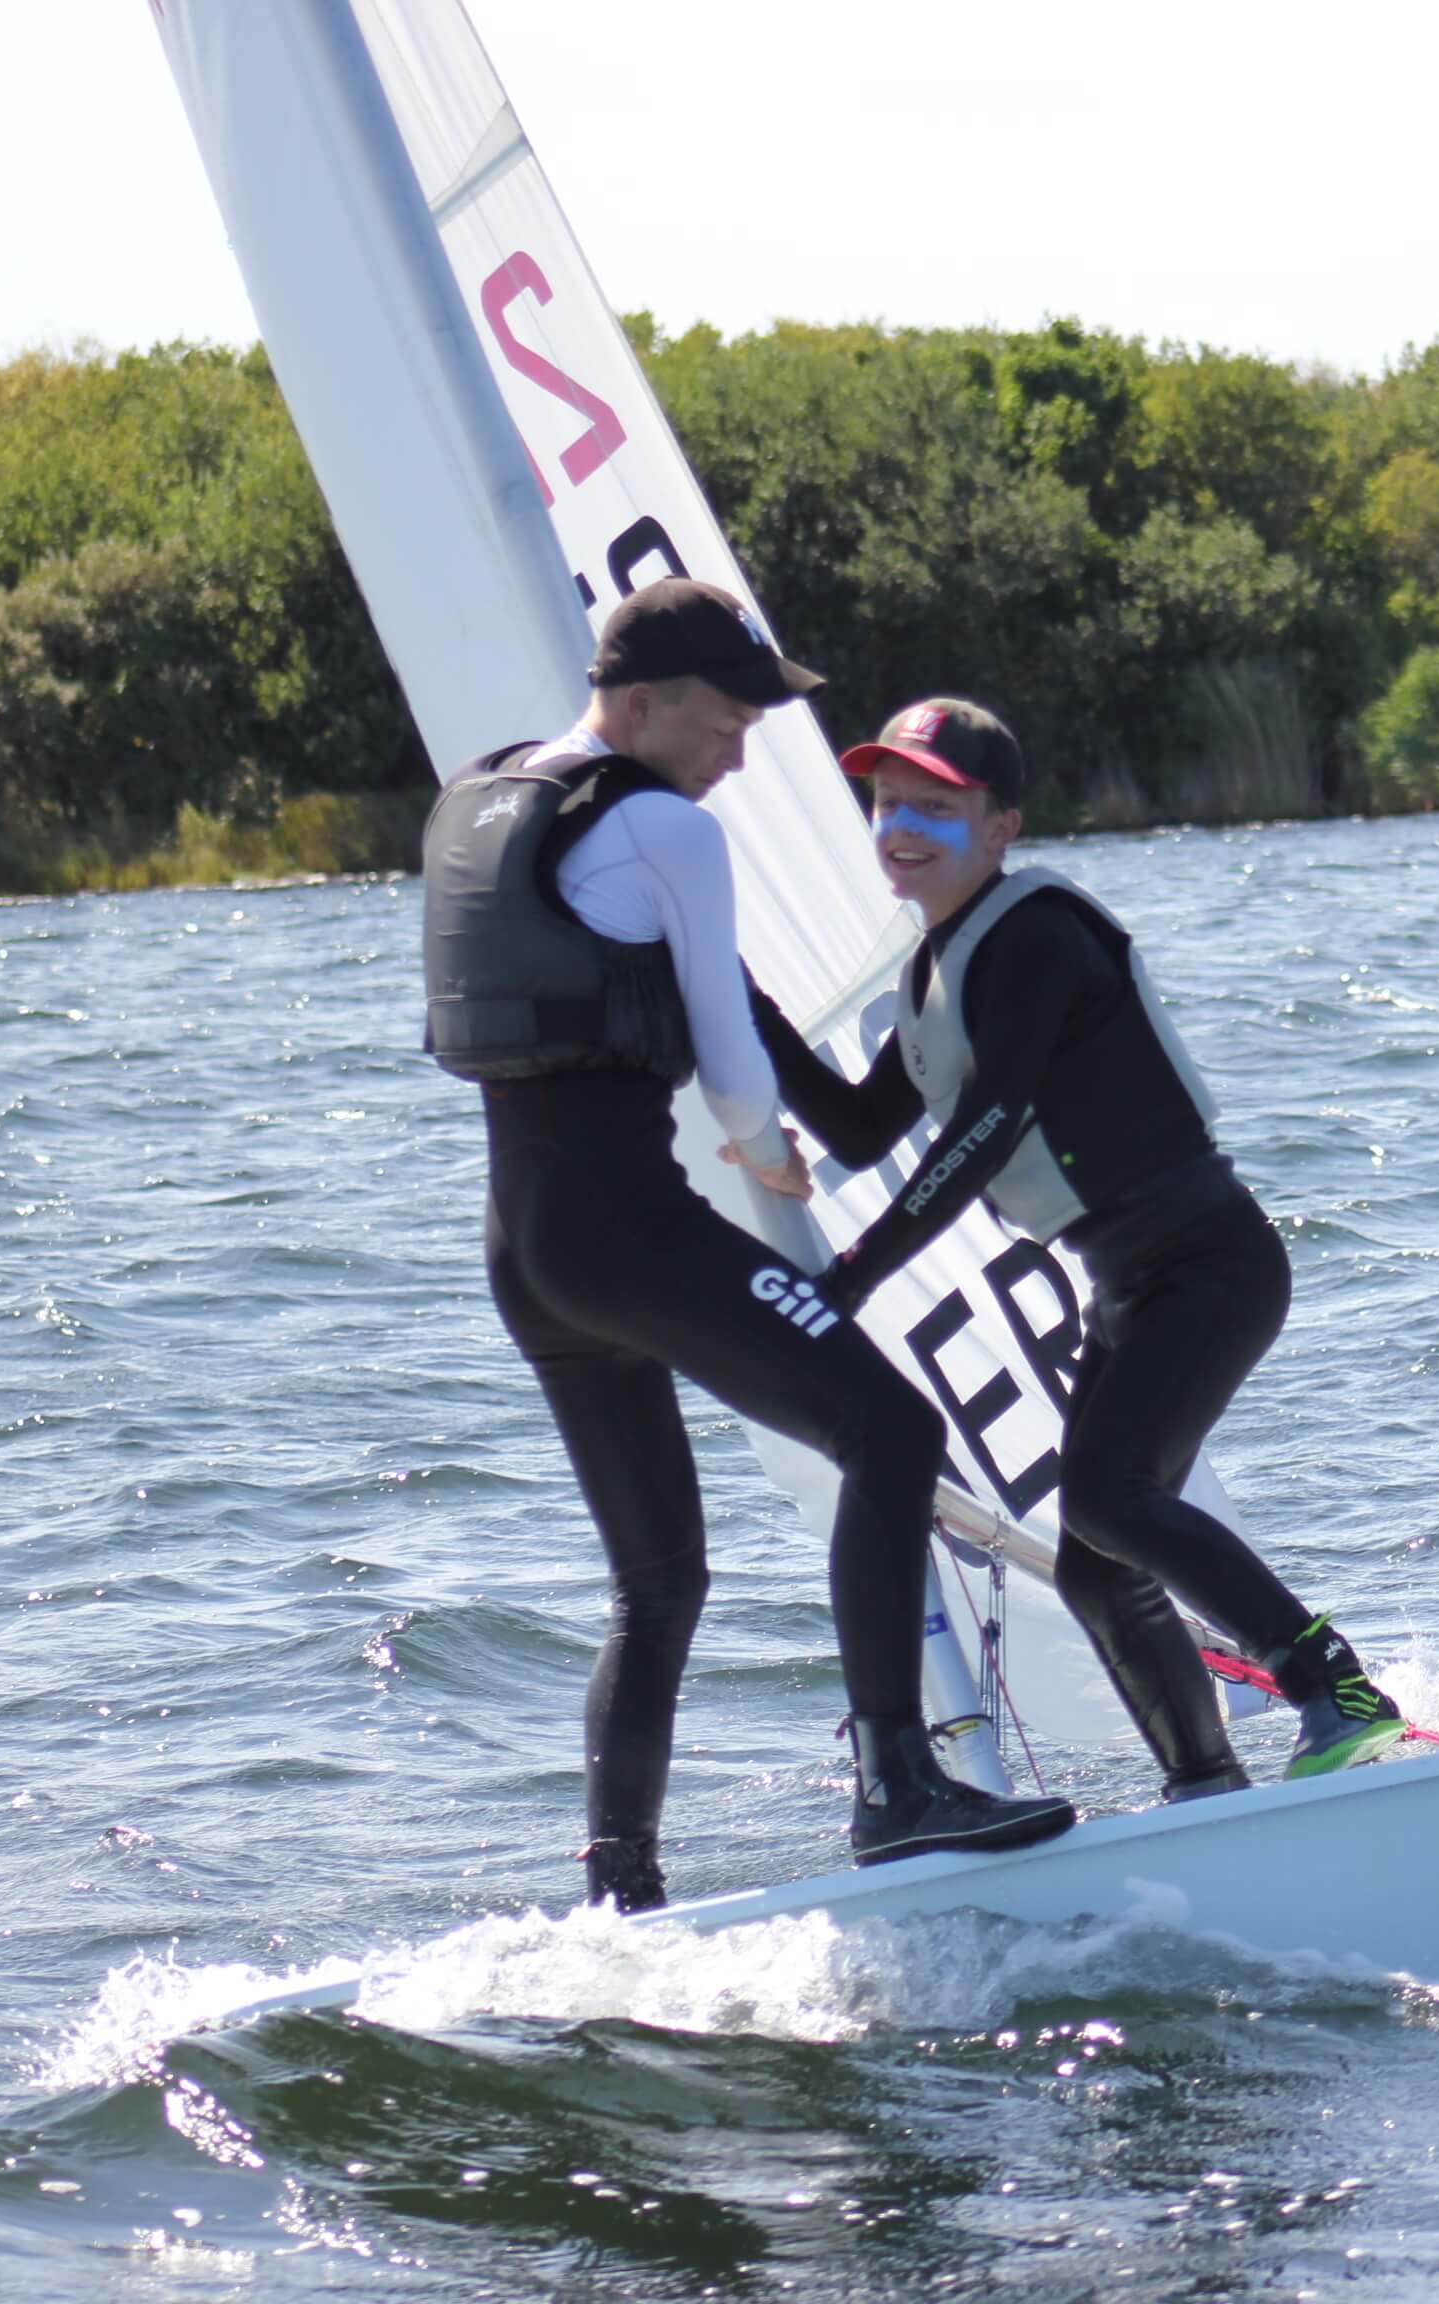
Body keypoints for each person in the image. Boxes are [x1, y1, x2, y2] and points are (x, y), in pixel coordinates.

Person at [420, 582, 1075, 1908]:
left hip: (524, 1251)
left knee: (658, 1582)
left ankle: (621, 1892)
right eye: (732, 716)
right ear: (647, 702)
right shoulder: (664, 823)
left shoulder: (489, 791)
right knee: (892, 1436)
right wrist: (768, 1150)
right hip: (627, 1235)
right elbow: (728, 1049)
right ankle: (899, 1787)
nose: (744, 749)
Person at [761, 696, 1407, 1793]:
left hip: (1207, 1260)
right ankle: (1205, 1783)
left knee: (1109, 1499)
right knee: (1095, 1558)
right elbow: (862, 1128)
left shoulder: (1036, 935)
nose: (901, 827)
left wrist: (856, 1276)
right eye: (886, 805)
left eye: (937, 807)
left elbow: (989, 1125)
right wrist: (739, 1009)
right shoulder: (931, 971)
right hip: (1127, 1283)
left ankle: (1333, 1686)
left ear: (1004, 826)